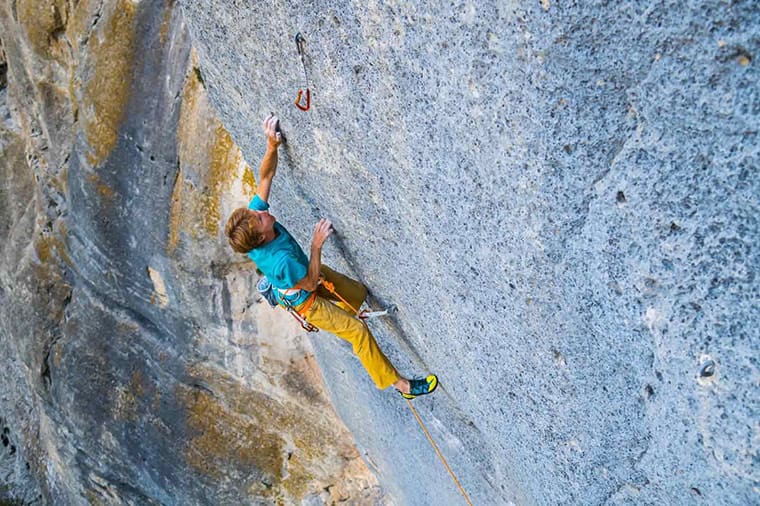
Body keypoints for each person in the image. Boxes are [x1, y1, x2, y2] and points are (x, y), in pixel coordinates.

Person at [224, 114, 437, 399]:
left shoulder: (254, 224)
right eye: (260, 217)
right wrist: (316, 245)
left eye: (257, 212)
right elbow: (311, 284)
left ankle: (352, 313)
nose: (261, 211)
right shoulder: (279, 261)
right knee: (356, 331)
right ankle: (403, 387)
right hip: (307, 299)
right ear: (261, 237)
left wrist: (271, 146)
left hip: (305, 276)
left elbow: (265, 177)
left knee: (358, 293)